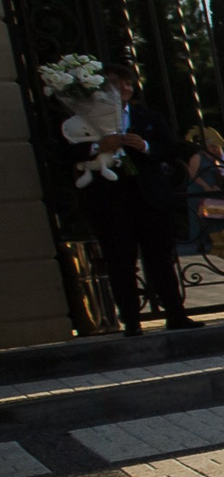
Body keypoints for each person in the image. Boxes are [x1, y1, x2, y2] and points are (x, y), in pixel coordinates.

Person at [69, 61, 200, 334]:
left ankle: (175, 313)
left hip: (149, 198)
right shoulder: (85, 118)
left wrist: (146, 146)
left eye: (128, 83)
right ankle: (131, 319)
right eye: (117, 83)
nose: (124, 88)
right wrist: (97, 146)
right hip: (110, 199)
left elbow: (171, 147)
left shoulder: (147, 117)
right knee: (120, 259)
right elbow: (63, 151)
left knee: (161, 258)